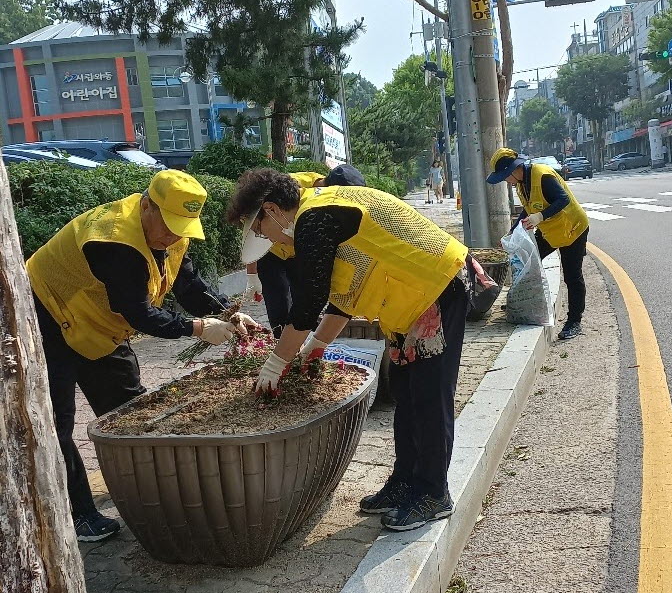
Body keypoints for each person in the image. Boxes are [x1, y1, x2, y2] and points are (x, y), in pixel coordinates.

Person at [228, 169, 469, 532]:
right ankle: (405, 481)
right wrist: (316, 345)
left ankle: (434, 493)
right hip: (410, 305)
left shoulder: (315, 217)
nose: (267, 239)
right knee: (407, 395)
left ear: (273, 209)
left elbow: (308, 304)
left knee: (429, 398)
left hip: (435, 291)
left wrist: (277, 363)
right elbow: (343, 297)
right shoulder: (317, 214)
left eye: (261, 229)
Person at [27, 170, 257, 542]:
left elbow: (187, 284)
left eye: (182, 227)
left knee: (129, 410)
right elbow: (138, 312)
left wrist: (228, 311)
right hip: (46, 316)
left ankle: (148, 495)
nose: (173, 235)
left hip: (97, 323)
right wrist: (198, 328)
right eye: (168, 225)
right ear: (146, 205)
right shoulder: (113, 241)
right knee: (56, 423)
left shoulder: (171, 236)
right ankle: (79, 513)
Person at [246, 164, 366, 333]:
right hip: (271, 252)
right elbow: (253, 231)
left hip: (302, 251)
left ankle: (304, 339)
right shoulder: (290, 186)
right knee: (277, 300)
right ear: (324, 184)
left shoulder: (333, 203)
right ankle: (282, 341)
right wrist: (252, 275)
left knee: (306, 298)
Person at [487, 148, 589, 341]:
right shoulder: (521, 183)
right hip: (551, 232)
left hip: (572, 229)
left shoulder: (542, 175)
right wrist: (512, 231)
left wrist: (540, 216)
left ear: (513, 170)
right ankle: (523, 302)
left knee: (572, 276)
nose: (505, 181)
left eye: (505, 177)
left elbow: (563, 199)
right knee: (529, 263)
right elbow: (527, 209)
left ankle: (574, 321)